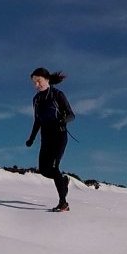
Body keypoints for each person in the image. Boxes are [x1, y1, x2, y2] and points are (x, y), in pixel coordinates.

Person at [26, 67, 76, 212]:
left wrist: (63, 120)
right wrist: (31, 138)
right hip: (45, 138)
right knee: (43, 170)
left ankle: (63, 203)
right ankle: (64, 181)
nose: (36, 85)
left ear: (46, 80)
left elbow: (72, 115)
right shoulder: (36, 99)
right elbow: (37, 121)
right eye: (34, 83)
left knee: (54, 168)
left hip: (59, 136)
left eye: (38, 81)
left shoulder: (57, 95)